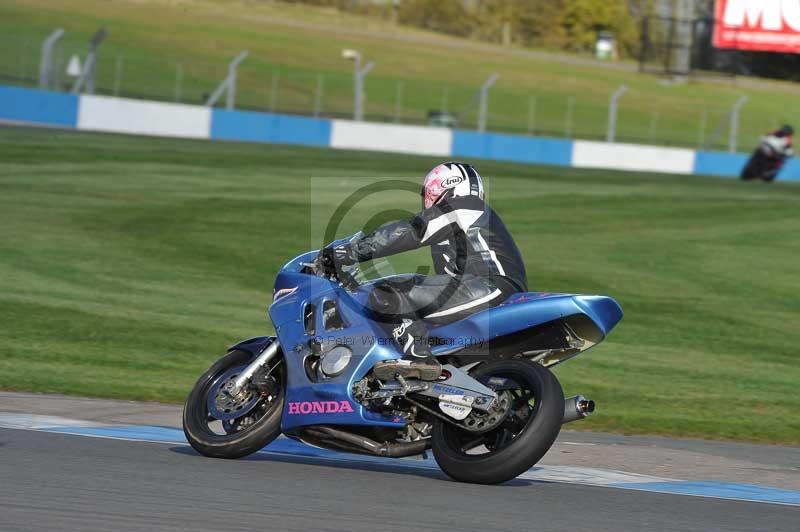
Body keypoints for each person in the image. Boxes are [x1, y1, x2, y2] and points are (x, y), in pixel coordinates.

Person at [322, 162, 527, 381]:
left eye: (427, 192)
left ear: (442, 188)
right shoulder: (466, 218)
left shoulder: (465, 205)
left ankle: (417, 359)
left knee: (389, 292)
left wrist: (350, 250)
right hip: (488, 289)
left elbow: (413, 230)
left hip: (489, 286)